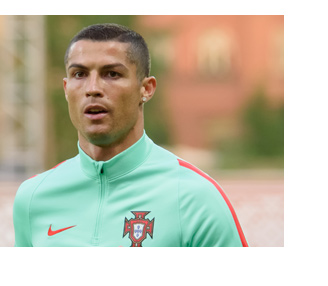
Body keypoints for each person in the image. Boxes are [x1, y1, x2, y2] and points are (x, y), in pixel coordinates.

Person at [13, 23, 248, 247]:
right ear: (66, 89)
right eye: (79, 74)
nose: (92, 88)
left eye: (112, 74)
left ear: (146, 89)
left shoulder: (195, 197)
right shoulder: (33, 197)